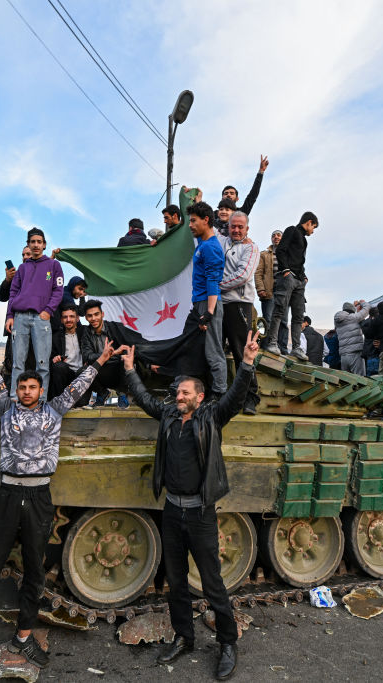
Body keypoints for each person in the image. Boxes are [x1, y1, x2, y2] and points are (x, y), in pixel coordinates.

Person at [0, 316, 118, 675]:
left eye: (32, 387)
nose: (27, 391)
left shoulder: (54, 411)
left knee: (34, 570)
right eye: (22, 387)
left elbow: (78, 385)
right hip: (9, 494)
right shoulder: (4, 407)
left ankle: (24, 636)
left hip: (40, 496)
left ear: (40, 391)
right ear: (18, 390)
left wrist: (101, 360)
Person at [120, 331, 260, 682]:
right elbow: (141, 398)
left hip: (200, 513)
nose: (178, 396)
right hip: (172, 510)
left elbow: (234, 397)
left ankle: (228, 643)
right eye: (177, 392)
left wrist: (246, 363)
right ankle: (184, 636)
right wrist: (129, 370)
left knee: (212, 583)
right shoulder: (168, 416)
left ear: (199, 397)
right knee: (177, 581)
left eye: (185, 393)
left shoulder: (212, 417)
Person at [7, 227, 65, 396]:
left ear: (44, 245)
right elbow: (13, 292)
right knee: (18, 363)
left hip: (41, 318)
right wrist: (10, 315)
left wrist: (48, 310)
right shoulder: (22, 268)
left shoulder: (54, 265)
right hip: (20, 317)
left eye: (39, 242)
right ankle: (15, 399)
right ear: (28, 244)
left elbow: (58, 290)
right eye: (32, 242)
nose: (36, 245)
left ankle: (41, 400)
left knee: (42, 364)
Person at [219, 211, 261, 413]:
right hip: (218, 304)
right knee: (215, 349)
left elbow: (243, 276)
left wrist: (215, 286)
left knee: (241, 351)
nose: (236, 230)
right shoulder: (220, 241)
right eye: (233, 226)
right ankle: (217, 393)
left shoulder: (251, 248)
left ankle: (250, 397)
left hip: (239, 304)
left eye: (240, 227)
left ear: (247, 229)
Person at [184, 201, 227, 397]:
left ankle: (219, 394)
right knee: (193, 349)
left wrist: (209, 312)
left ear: (206, 220)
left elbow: (213, 280)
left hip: (208, 304)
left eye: (193, 221)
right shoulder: (202, 243)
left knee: (213, 351)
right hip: (199, 303)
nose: (190, 225)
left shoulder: (211, 247)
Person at [264, 212, 319, 361]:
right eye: (313, 227)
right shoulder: (291, 230)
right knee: (279, 310)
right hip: (288, 278)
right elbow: (281, 250)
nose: (312, 231)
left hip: (300, 280)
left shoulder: (304, 241)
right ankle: (272, 343)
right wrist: (286, 270)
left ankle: (296, 348)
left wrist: (304, 276)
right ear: (308, 222)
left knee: (298, 315)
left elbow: (299, 260)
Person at [80, 300, 134, 403]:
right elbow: (87, 356)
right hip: (99, 372)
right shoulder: (86, 333)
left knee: (126, 358)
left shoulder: (115, 327)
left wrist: (150, 363)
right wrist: (109, 354)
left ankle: (122, 395)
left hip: (117, 370)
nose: (94, 318)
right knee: (82, 371)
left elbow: (131, 346)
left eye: (96, 314)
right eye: (90, 316)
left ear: (102, 314)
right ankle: (103, 393)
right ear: (86, 318)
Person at [0, 246, 35, 382]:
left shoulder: (44, 275)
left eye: (28, 254)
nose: (25, 257)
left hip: (35, 329)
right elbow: (1, 296)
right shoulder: (16, 276)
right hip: (14, 329)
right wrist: (8, 280)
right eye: (23, 254)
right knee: (12, 366)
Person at [50, 303, 91, 406]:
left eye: (71, 316)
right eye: (65, 317)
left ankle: (83, 402)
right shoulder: (55, 337)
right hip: (66, 375)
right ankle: (60, 402)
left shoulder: (86, 331)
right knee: (59, 366)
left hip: (82, 374)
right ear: (61, 320)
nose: (68, 319)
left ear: (77, 318)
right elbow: (50, 357)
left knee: (81, 405)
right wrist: (55, 359)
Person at [334, 301, 370, 375]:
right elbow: (367, 308)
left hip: (343, 356)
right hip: (355, 354)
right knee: (360, 380)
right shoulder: (353, 318)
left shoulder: (337, 322)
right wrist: (362, 302)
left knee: (347, 381)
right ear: (352, 311)